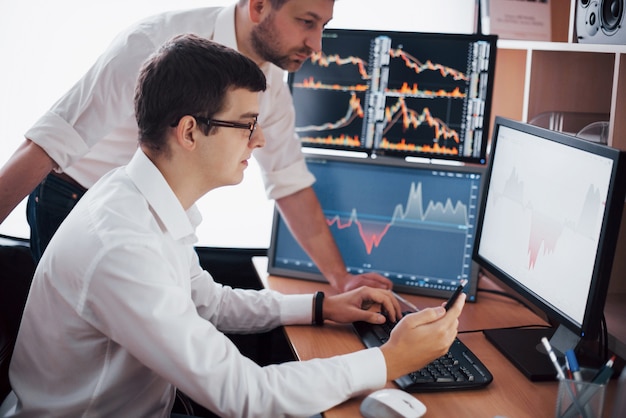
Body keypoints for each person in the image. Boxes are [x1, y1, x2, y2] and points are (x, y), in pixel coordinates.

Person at [0, 34, 464, 418]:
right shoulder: (123, 244)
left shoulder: (140, 198)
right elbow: (245, 395)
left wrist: (323, 307)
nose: (259, 140)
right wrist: (388, 360)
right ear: (189, 132)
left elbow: (208, 302)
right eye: (246, 124)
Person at [0, 0, 392, 292]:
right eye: (306, 22)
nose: (317, 44)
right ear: (257, 6)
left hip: (152, 219)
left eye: (323, 25)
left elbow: (289, 183)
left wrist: (341, 280)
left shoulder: (270, 86)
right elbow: (48, 143)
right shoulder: (153, 42)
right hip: (75, 201)